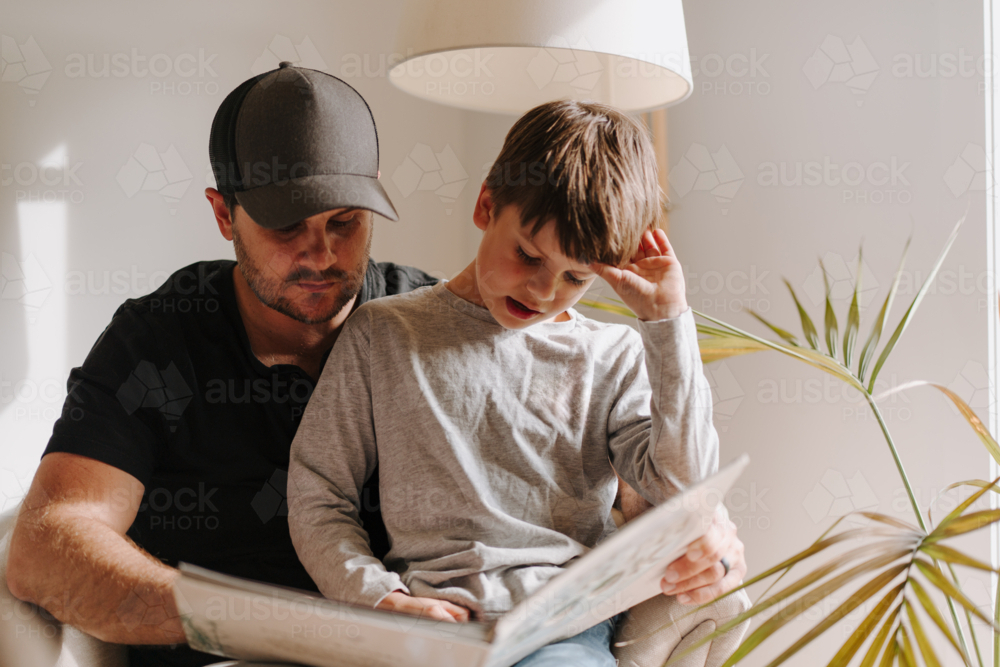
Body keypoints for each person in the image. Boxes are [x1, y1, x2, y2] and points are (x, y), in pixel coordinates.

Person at [5, 62, 438, 667]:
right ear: (222, 214)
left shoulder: (433, 326)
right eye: (287, 226)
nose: (322, 252)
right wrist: (271, 625)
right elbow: (45, 549)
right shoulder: (158, 341)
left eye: (345, 221)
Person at [287, 99, 740, 666]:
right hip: (433, 629)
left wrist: (667, 323)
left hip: (561, 632)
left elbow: (684, 490)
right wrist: (380, 599)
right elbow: (318, 494)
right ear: (485, 206)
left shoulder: (612, 354)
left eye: (576, 276)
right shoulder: (385, 334)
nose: (544, 292)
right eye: (528, 256)